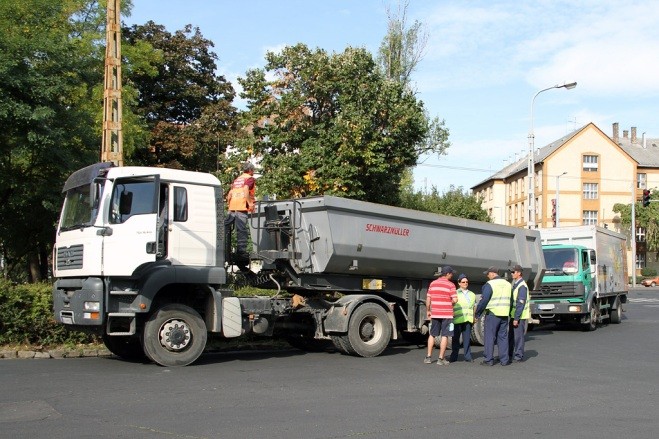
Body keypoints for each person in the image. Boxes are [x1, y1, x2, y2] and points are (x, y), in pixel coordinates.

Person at [475, 266, 512, 366]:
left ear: (492, 273)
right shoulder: (508, 284)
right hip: (504, 314)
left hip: (493, 314)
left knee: (490, 337)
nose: (487, 276)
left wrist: (477, 314)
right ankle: (504, 360)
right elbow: (511, 300)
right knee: (503, 337)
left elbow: (484, 300)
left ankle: (488, 360)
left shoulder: (490, 284)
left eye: (488, 274)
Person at [424, 266, 458, 366]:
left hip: (435, 313)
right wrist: (450, 303)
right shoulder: (451, 285)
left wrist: (428, 310)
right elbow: (455, 300)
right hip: (447, 314)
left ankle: (428, 357)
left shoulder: (433, 284)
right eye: (451, 273)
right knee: (445, 335)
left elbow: (428, 299)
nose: (452, 275)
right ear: (447, 274)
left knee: (432, 334)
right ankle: (440, 359)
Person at [225, 162, 256, 264]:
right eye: (253, 170)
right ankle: (241, 251)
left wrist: (229, 206)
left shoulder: (237, 180)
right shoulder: (249, 179)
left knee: (226, 229)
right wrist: (250, 203)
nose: (254, 172)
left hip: (232, 208)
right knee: (242, 230)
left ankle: (223, 247)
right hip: (242, 207)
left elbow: (229, 195)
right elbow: (246, 189)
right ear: (250, 170)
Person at [449, 273, 476, 363]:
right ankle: (454, 356)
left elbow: (473, 307)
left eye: (467, 282)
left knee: (467, 339)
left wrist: (474, 317)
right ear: (459, 283)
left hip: (468, 320)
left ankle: (468, 356)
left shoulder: (472, 294)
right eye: (463, 282)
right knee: (455, 339)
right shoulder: (455, 293)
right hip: (457, 320)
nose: (465, 283)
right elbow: (451, 305)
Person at [508, 264, 530, 363]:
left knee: (518, 337)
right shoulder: (517, 284)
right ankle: (510, 354)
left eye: (513, 272)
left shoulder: (522, 286)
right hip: (514, 315)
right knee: (512, 336)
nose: (511, 274)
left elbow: (520, 304)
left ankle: (518, 356)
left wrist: (516, 318)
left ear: (519, 273)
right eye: (511, 272)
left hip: (519, 316)